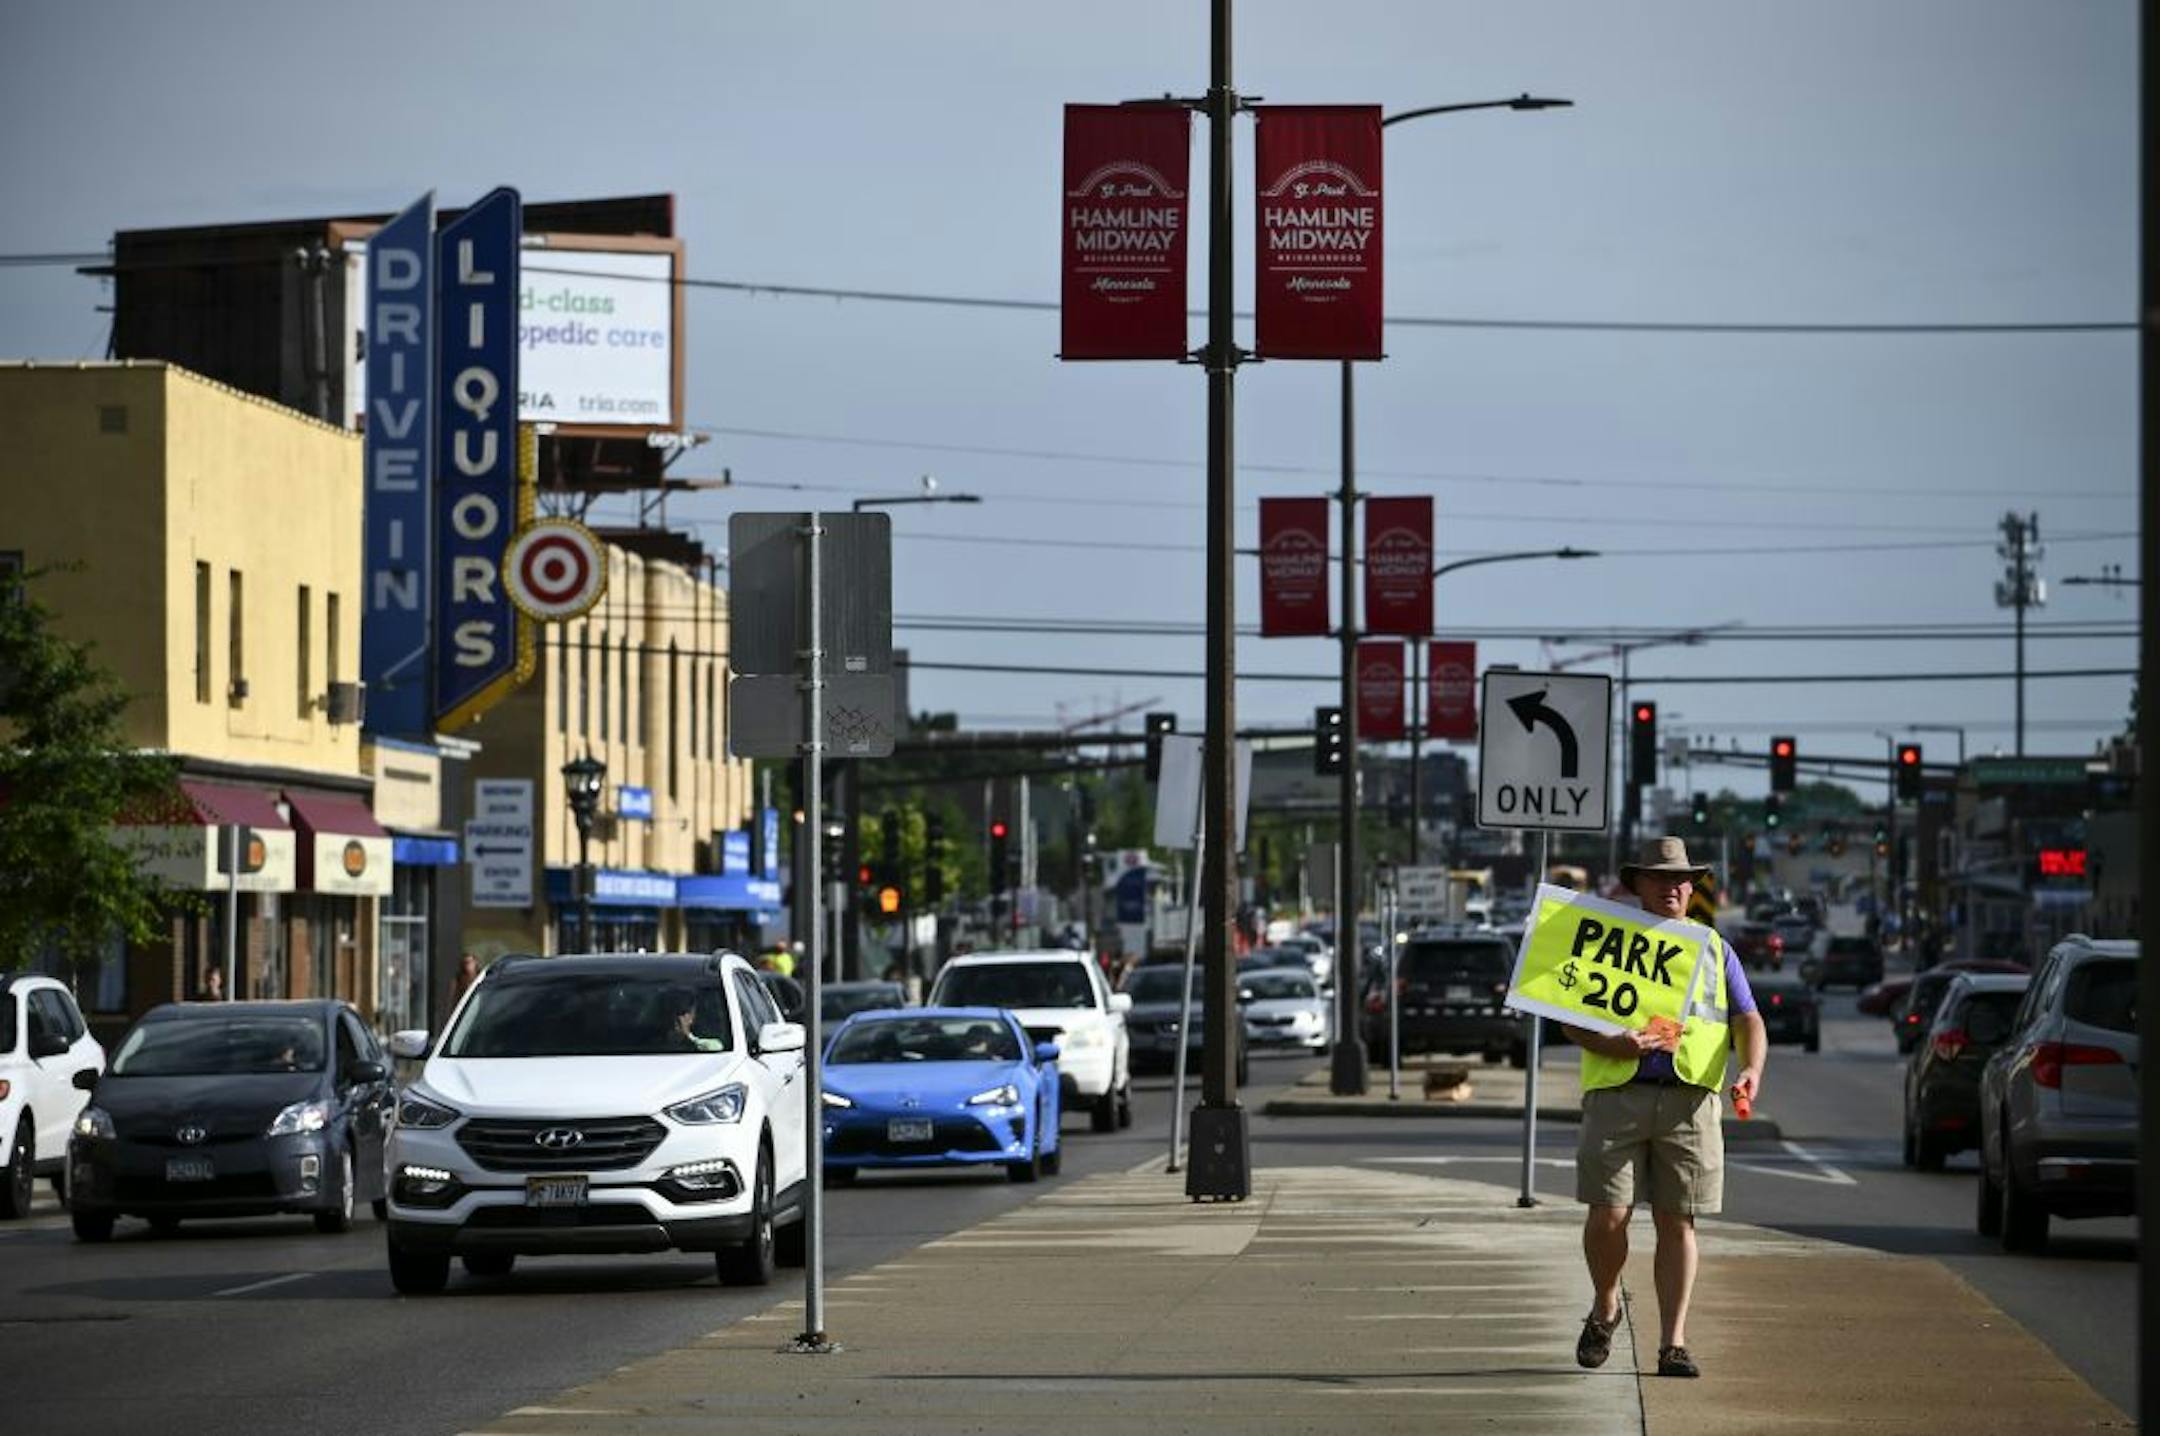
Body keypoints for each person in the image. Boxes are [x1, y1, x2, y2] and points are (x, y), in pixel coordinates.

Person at [1566, 837, 1766, 1381]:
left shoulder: (1712, 947)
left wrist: (1751, 1068)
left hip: (1691, 1099)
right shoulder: (1606, 939)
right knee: (1607, 1214)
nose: (1674, 886)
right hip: (1617, 1092)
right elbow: (1568, 1018)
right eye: (1660, 878)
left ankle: (1673, 1342)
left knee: (1678, 1219)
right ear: (1638, 886)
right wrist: (1617, 1045)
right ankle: (1606, 1306)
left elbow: (1747, 1018)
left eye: (1682, 879)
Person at [661, 987, 727, 1053]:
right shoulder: (652, 1044)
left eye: (682, 1012)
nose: (677, 1019)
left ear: (692, 1016)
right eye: (672, 1012)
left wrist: (688, 1038)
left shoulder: (708, 1046)